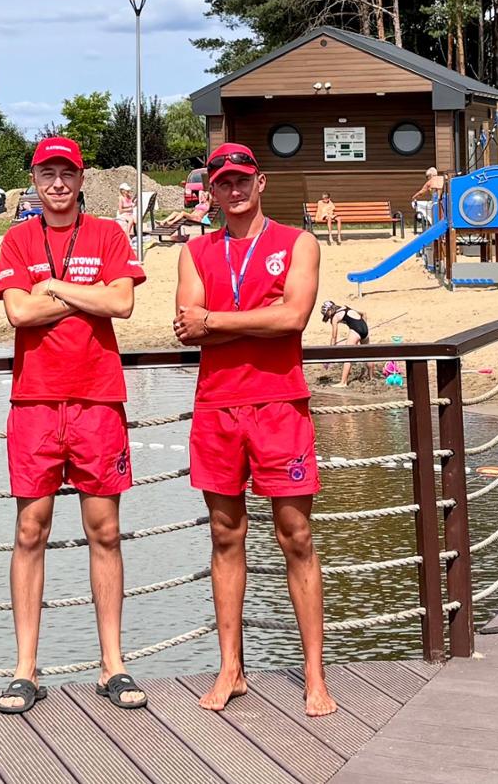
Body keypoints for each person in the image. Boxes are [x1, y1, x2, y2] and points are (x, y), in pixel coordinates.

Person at [172, 141, 337, 718]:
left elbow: (293, 317)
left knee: (296, 535)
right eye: (223, 182)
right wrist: (251, 323)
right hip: (218, 406)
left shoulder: (299, 242)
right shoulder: (194, 251)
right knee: (225, 535)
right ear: (210, 191)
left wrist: (217, 320)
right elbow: (186, 330)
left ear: (260, 182)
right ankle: (231, 669)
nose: (234, 190)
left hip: (279, 405)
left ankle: (315, 675)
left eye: (242, 180)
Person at [0, 136, 147, 715]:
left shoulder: (107, 234)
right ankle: (25, 669)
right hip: (34, 402)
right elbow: (19, 313)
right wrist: (85, 296)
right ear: (34, 178)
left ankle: (114, 665)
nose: (57, 183)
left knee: (104, 530)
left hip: (97, 399)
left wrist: (52, 287)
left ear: (81, 179)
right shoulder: (17, 237)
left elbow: (123, 303)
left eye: (67, 173)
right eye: (47, 173)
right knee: (31, 531)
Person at [321, 300, 370, 386]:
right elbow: (364, 313)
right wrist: (365, 327)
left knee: (348, 355)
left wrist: (330, 351)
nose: (328, 318)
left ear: (329, 310)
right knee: (368, 354)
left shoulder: (335, 317)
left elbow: (334, 337)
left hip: (356, 330)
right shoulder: (346, 307)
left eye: (327, 315)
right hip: (364, 329)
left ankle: (343, 382)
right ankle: (371, 377)